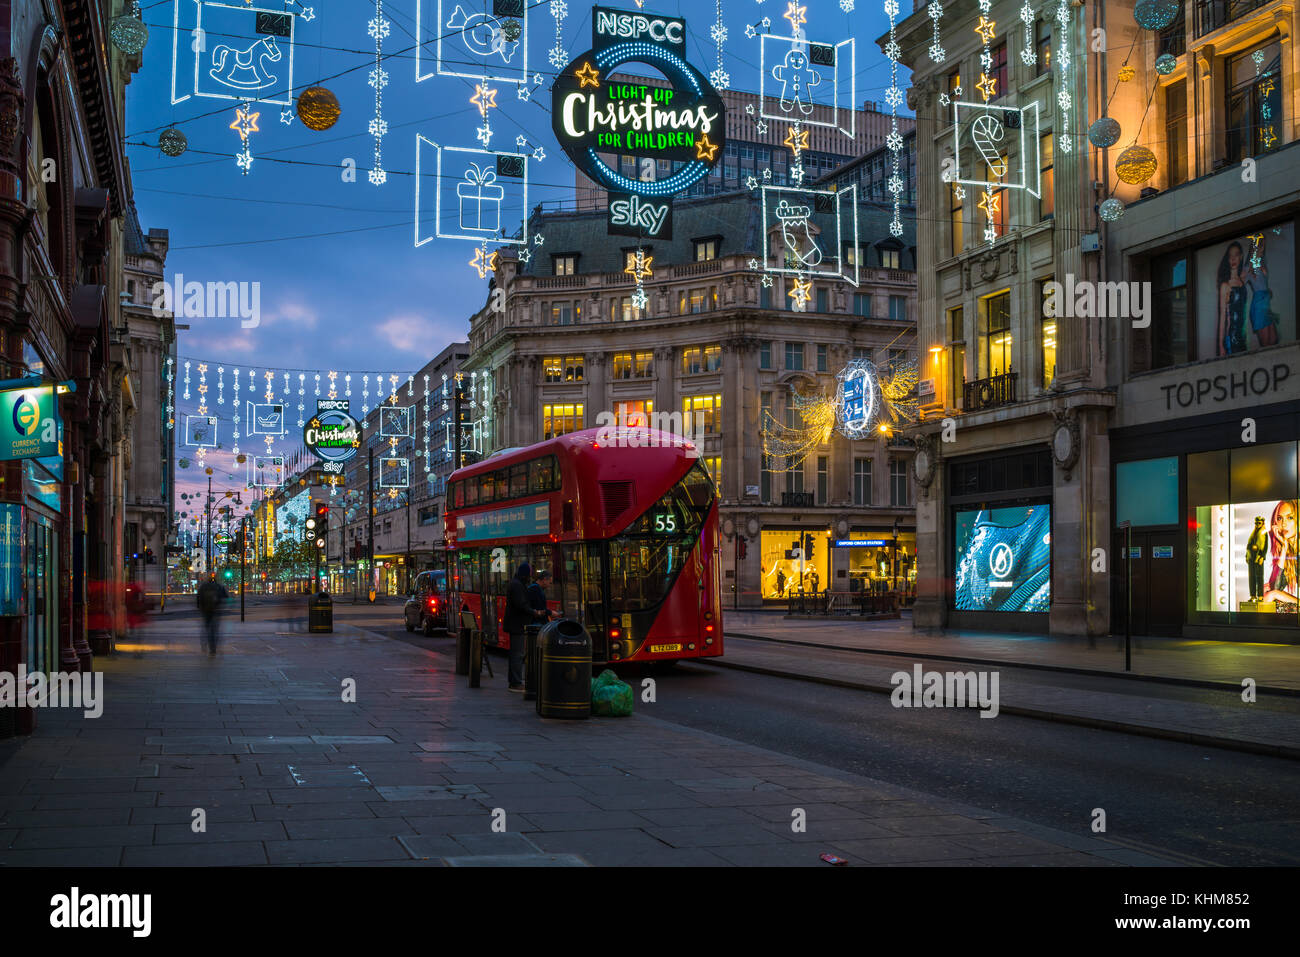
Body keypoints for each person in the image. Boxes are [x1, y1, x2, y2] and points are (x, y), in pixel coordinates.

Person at [504, 563, 547, 692]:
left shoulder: (516, 583)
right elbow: (521, 605)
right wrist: (535, 612)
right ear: (525, 574)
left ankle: (514, 681)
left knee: (515, 654)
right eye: (529, 574)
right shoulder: (517, 585)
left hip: (515, 624)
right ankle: (516, 683)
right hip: (517, 625)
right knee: (517, 654)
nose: (530, 577)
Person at [1217, 241, 1247, 356]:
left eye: (1236, 254)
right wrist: (1221, 346)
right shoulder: (1225, 286)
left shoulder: (1242, 282)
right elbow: (1222, 318)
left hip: (1242, 338)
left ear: (1241, 256)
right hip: (1232, 338)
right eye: (1230, 256)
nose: (1233, 259)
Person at [196, 574, 229, 656]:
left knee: (206, 628)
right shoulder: (219, 586)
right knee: (214, 630)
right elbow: (226, 596)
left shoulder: (203, 586)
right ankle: (213, 647)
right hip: (215, 610)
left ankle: (204, 644)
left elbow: (198, 597)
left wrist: (200, 607)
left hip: (205, 610)